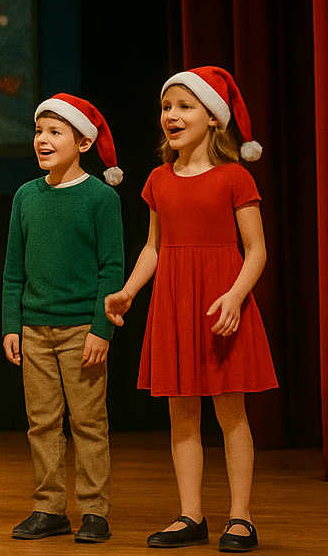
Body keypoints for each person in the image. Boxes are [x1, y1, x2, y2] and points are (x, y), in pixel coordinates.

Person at [105, 67, 277, 553]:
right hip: (175, 303)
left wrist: (235, 295)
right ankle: (190, 515)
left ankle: (240, 517)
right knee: (181, 415)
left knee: (230, 413)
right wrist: (129, 291)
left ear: (214, 119)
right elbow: (153, 248)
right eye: (167, 107)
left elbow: (257, 249)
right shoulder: (158, 179)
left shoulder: (234, 177)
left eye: (184, 106)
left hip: (221, 303)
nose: (172, 116)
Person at [1, 94, 125, 544]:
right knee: (42, 422)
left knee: (88, 422)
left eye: (55, 132)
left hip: (81, 331)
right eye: (39, 132)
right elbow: (13, 269)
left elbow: (112, 269)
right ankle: (49, 508)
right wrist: (10, 325)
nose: (43, 140)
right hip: (34, 330)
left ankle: (94, 510)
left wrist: (101, 328)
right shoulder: (25, 196)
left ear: (83, 142)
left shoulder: (100, 197)